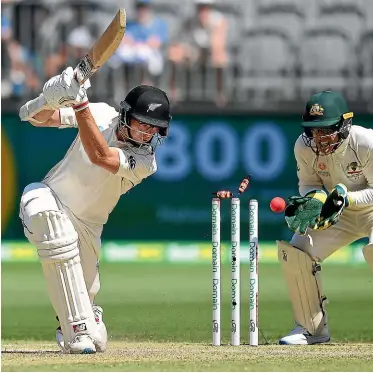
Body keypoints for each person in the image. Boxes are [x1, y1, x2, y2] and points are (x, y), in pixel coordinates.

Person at [18, 67, 172, 354]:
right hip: (49, 197)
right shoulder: (101, 113)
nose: (148, 132)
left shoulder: (145, 161)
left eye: (154, 127)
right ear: (126, 116)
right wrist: (50, 98)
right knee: (47, 216)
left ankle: (86, 318)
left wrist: (78, 102)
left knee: (97, 339)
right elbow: (32, 117)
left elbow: (100, 155)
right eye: (143, 123)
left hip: (88, 227)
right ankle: (77, 333)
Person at [277, 90, 373, 347]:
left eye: (326, 130)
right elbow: (308, 184)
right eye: (314, 130)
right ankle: (311, 329)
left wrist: (346, 198)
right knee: (297, 251)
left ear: (344, 124)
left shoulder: (369, 142)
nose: (319, 138)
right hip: (340, 212)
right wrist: (315, 200)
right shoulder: (303, 146)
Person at [168, 0, 228, 106]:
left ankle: (220, 94)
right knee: (174, 53)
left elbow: (218, 43)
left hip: (211, 52)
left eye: (206, 8)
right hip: (195, 53)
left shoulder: (218, 21)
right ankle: (174, 93)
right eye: (201, 7)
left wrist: (209, 28)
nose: (203, 11)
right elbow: (181, 41)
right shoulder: (190, 22)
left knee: (219, 58)